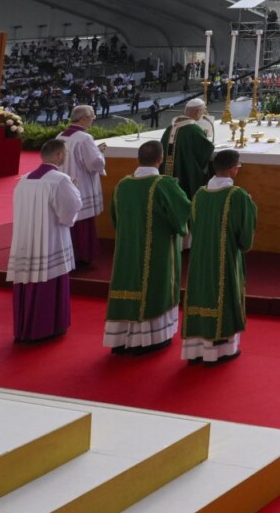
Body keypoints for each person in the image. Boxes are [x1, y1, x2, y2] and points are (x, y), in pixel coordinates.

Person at [104, 139, 191, 354]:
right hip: (157, 250)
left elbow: (115, 219)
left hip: (127, 249)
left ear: (138, 159)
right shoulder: (164, 184)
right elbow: (183, 216)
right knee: (154, 285)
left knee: (128, 282)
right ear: (160, 159)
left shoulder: (122, 184)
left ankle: (122, 337)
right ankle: (152, 338)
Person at [183, 148, 257, 365]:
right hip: (224, 258)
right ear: (233, 168)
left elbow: (193, 225)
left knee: (201, 295)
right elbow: (245, 238)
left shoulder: (199, 194)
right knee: (222, 295)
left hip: (199, 258)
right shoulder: (238, 196)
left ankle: (196, 351)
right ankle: (220, 351)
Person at [6, 141, 83, 343]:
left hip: (25, 239)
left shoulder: (24, 180)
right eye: (65, 153)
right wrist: (75, 190)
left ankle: (25, 328)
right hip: (50, 240)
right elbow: (68, 211)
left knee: (28, 278)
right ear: (58, 155)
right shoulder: (60, 179)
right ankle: (48, 327)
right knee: (49, 277)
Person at [53, 106, 107, 268]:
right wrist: (100, 153)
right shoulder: (84, 138)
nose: (93, 120)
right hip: (81, 185)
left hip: (63, 184)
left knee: (69, 218)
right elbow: (95, 162)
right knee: (82, 220)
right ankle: (83, 255)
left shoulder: (60, 135)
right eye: (92, 117)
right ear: (84, 118)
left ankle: (69, 255)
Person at [166, 98, 215, 199]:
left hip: (169, 172)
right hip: (186, 172)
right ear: (197, 112)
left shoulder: (169, 128)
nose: (204, 114)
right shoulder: (193, 129)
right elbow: (206, 149)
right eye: (203, 111)